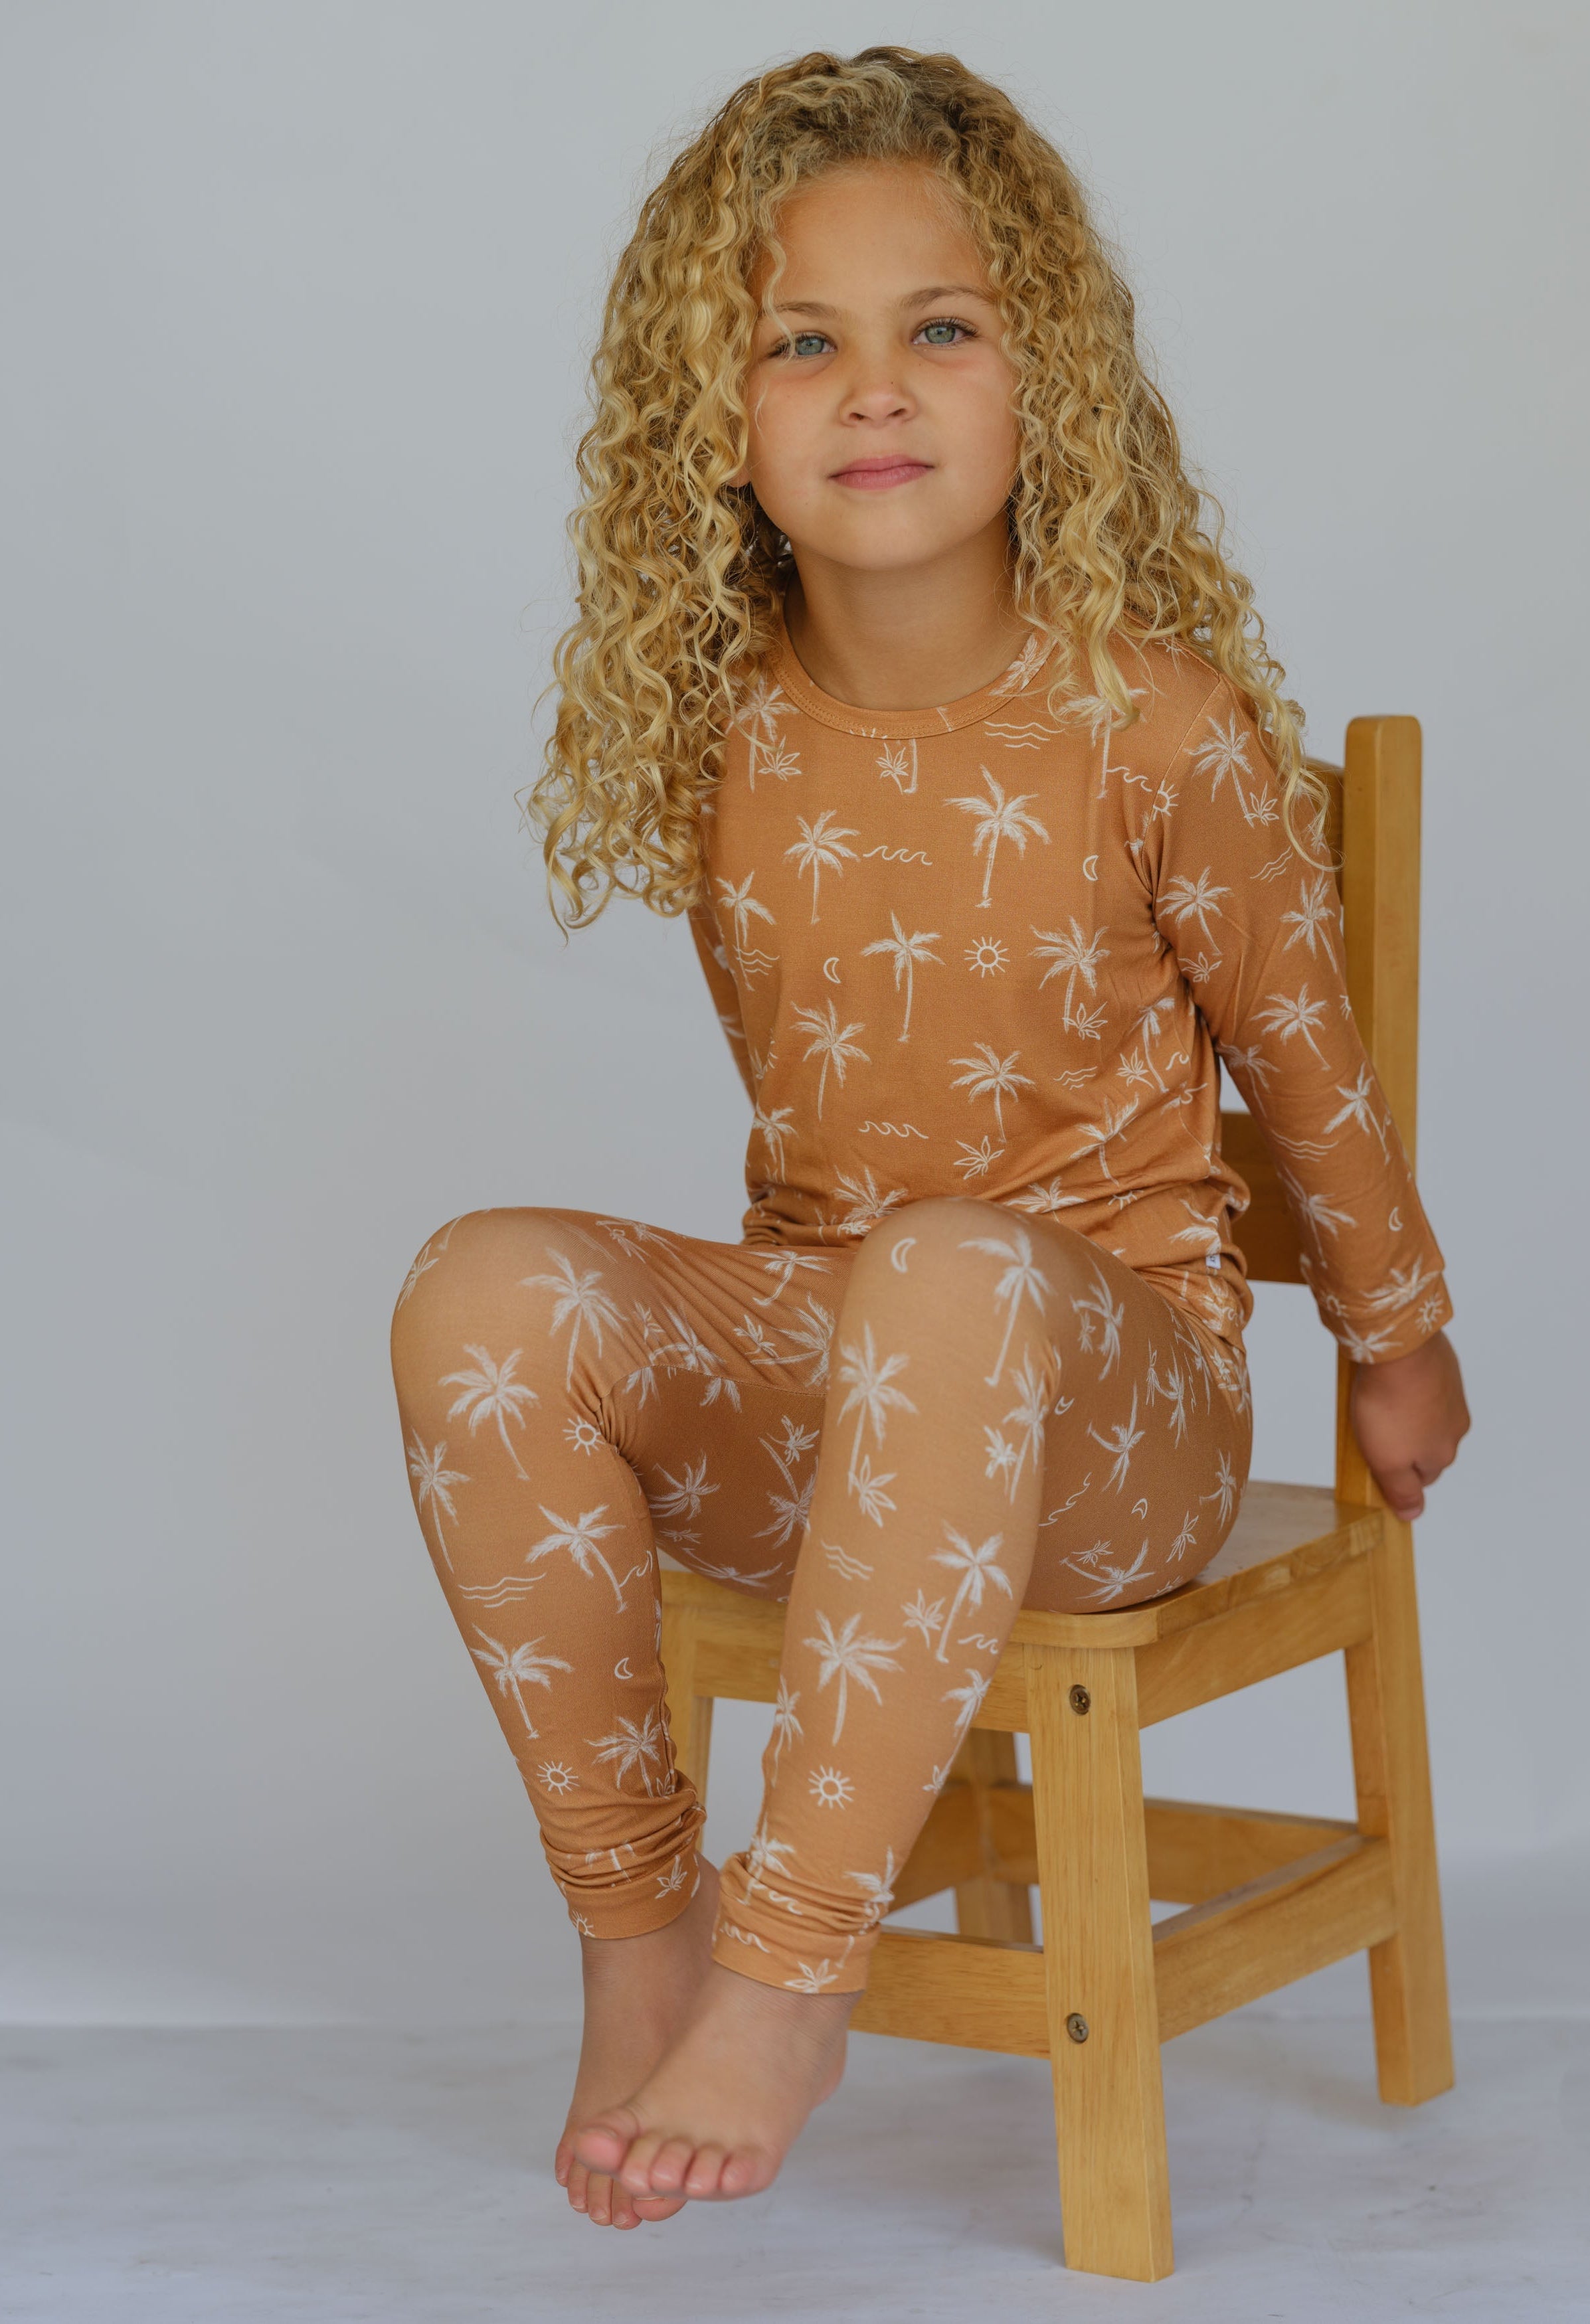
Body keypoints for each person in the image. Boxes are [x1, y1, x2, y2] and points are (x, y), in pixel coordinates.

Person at [389, 43, 1472, 2234]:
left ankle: (797, 1970)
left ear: (1041, 372)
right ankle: (644, 1933)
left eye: (939, 329)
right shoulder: (723, 734)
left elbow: (1304, 1059)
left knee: (960, 1270)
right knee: (479, 1283)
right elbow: (817, 1121)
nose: (873, 390)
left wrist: (1399, 1326)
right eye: (806, 342)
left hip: (1112, 1406)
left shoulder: (1150, 718)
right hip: (850, 1367)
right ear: (720, 412)